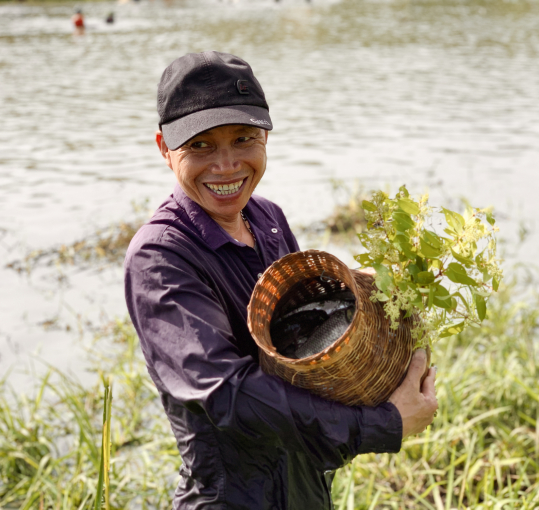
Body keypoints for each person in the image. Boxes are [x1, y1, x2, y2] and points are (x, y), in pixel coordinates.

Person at [124, 51, 438, 509]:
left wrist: (375, 297)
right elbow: (227, 395)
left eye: (243, 138)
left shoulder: (267, 217)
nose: (227, 165)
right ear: (164, 149)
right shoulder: (159, 257)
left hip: (305, 484)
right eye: (201, 145)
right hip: (231, 497)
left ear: (266, 136)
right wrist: (382, 425)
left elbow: (302, 350)